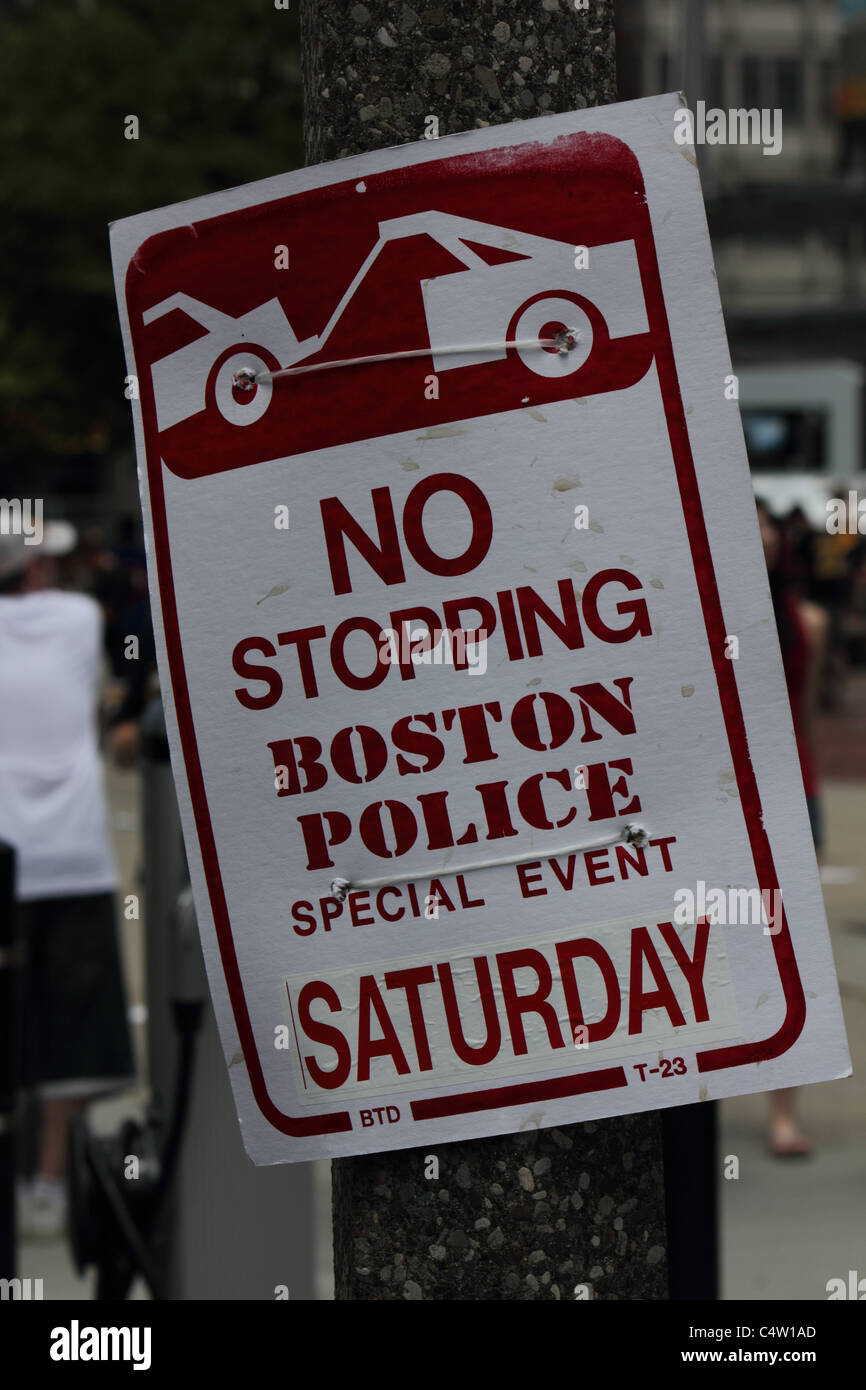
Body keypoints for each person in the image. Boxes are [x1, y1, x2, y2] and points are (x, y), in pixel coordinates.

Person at [0, 524, 135, 1238]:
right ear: (39, 569)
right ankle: (49, 1180)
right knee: (74, 1026)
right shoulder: (80, 620)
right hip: (74, 854)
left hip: (5, 857)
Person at [757, 500, 827, 1158]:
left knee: (792, 960)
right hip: (724, 802)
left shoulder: (808, 622)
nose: (761, 534)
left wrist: (807, 801)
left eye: (766, 523)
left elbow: (804, 719)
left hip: (793, 792)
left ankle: (785, 1110)